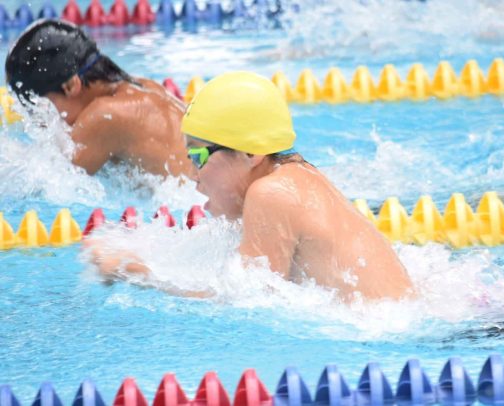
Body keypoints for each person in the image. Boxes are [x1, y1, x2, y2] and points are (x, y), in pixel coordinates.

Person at [91, 71, 413, 300]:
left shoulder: (270, 194)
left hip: (395, 335)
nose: (192, 175)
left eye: (199, 156)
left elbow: (242, 302)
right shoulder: (293, 175)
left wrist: (139, 273)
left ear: (251, 153)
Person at [4, 19, 193, 177]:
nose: (40, 121)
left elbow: (54, 181)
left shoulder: (105, 115)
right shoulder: (141, 86)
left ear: (70, 86)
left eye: (42, 107)